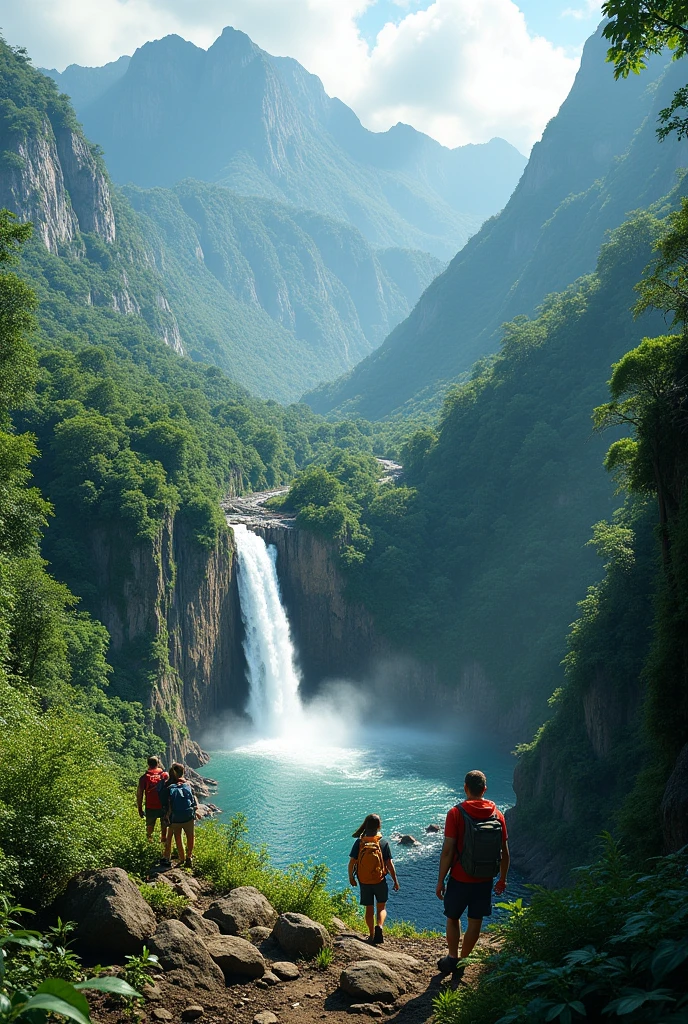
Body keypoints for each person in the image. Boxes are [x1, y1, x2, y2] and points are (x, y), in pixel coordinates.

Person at [436, 769, 509, 975]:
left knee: (453, 918)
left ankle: (452, 957)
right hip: (484, 880)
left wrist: (441, 880)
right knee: (475, 922)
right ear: (484, 789)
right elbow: (504, 852)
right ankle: (464, 961)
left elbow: (448, 850)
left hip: (460, 878)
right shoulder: (497, 814)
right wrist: (502, 878)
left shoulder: (455, 813)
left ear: (465, 788)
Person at [349, 813, 400, 944]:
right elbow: (389, 864)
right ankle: (380, 926)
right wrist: (395, 880)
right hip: (379, 880)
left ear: (365, 825)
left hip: (364, 881)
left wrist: (351, 878)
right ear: (378, 826)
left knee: (369, 909)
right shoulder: (383, 843)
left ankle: (371, 935)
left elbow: (352, 863)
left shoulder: (359, 843)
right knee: (381, 908)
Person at [160, 762, 199, 869]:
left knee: (178, 837)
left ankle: (182, 859)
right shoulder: (188, 784)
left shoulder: (168, 786)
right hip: (188, 816)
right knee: (190, 836)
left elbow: (163, 802)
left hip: (175, 818)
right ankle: (189, 857)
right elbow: (193, 800)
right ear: (183, 772)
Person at [136, 756, 169, 845]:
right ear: (158, 764)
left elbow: (139, 794)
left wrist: (139, 808)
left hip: (150, 806)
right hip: (163, 806)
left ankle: (150, 847)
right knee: (164, 829)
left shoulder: (144, 778)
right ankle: (163, 849)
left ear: (148, 764)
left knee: (149, 830)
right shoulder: (164, 775)